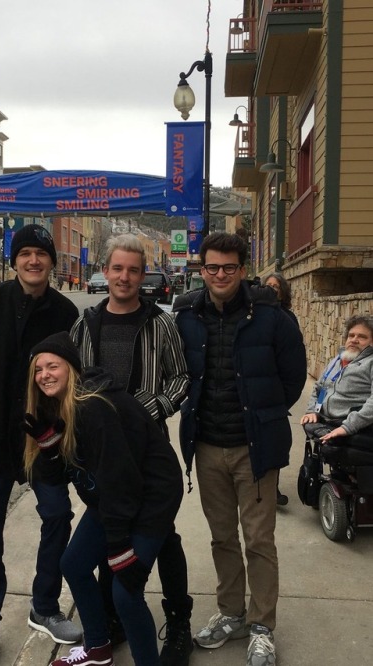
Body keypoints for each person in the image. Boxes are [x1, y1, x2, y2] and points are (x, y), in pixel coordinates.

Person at [0, 225, 82, 666]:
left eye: (41, 254)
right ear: (14, 260)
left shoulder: (64, 312)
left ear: (50, 261)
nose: (33, 261)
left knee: (58, 514)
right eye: (24, 253)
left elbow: (74, 377)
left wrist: (56, 427)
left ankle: (44, 604)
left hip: (43, 441)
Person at [174, 232, 307, 666]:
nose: (219, 275)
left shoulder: (272, 317)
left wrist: (262, 415)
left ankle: (262, 625)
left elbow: (293, 378)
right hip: (208, 446)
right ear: (202, 269)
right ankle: (231, 612)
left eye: (228, 268)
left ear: (243, 270)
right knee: (222, 537)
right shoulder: (187, 315)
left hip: (255, 448)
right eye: (211, 267)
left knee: (258, 539)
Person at [23, 332, 184, 666]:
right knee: (74, 564)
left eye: (53, 366)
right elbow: (66, 479)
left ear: (71, 369)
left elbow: (118, 480)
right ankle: (98, 649)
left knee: (125, 593)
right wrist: (50, 448)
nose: (44, 375)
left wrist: (120, 546)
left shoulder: (93, 407)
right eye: (38, 370)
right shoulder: (59, 408)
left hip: (151, 497)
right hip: (114, 496)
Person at [71, 233, 193, 666]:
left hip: (148, 456)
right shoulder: (85, 326)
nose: (124, 277)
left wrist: (144, 410)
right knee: (110, 531)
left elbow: (180, 379)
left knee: (163, 538)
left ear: (144, 276)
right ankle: (113, 621)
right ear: (105, 271)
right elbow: (71, 384)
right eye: (117, 268)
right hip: (103, 457)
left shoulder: (160, 324)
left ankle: (178, 621)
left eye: (134, 270)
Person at [300, 314, 373, 441]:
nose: (354, 340)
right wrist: (313, 410)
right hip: (326, 423)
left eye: (362, 337)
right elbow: (320, 387)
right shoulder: (338, 359)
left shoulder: (370, 363)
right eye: (351, 335)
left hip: (353, 429)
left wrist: (348, 427)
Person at [263, 272, 300, 506]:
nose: (272, 290)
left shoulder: (288, 318)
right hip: (261, 387)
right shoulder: (254, 314)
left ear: (283, 291)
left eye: (276, 287)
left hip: (277, 389)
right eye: (268, 286)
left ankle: (272, 489)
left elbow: (294, 362)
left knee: (276, 443)